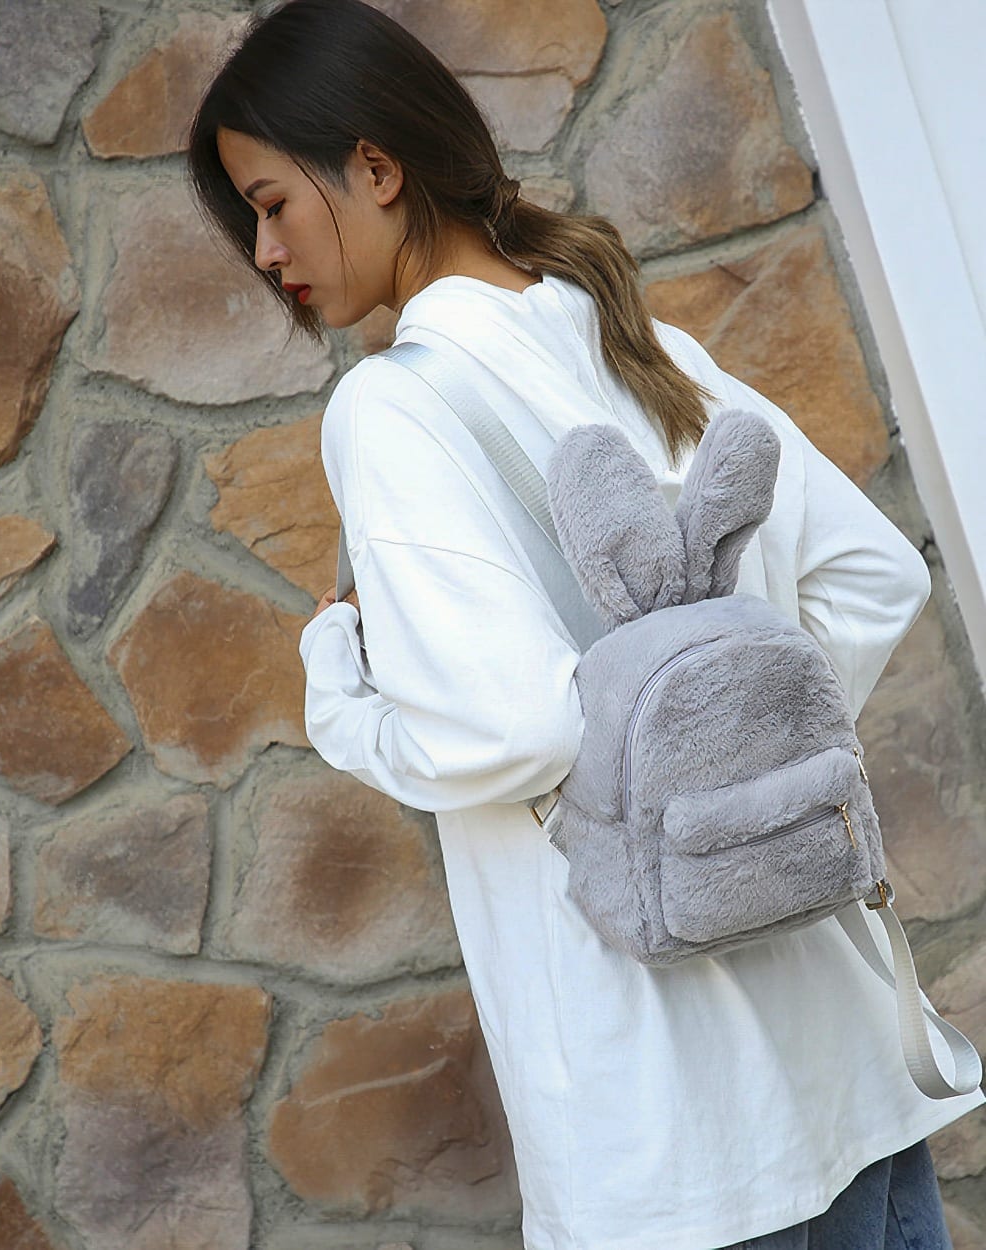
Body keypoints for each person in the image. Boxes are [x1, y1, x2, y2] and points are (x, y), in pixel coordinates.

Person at [187, 2, 985, 1246]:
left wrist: (340, 690)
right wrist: (734, 746)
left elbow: (507, 729)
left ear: (376, 168)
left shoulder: (393, 408)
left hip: (674, 1122)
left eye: (272, 201)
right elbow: (879, 575)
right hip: (846, 1055)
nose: (263, 247)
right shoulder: (643, 342)